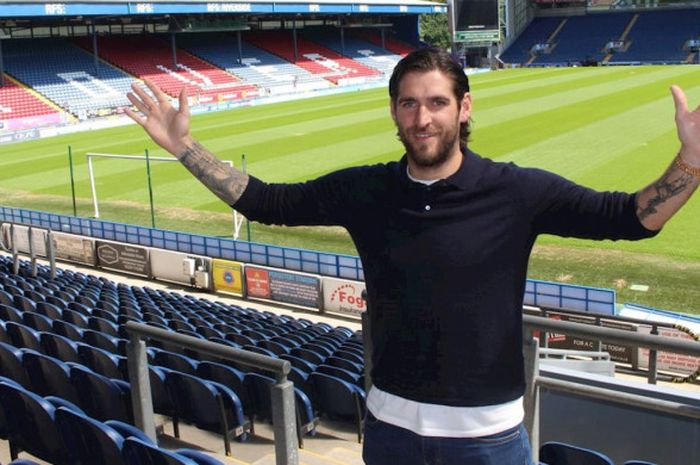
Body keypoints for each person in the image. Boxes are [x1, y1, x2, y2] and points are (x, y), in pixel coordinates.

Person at [125, 47, 700, 465]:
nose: (422, 119)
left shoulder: (518, 192)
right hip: (389, 432)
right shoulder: (365, 190)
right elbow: (266, 201)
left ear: (464, 107)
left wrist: (691, 161)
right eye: (408, 104)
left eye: (436, 103)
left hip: (488, 440)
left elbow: (632, 217)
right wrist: (184, 148)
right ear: (394, 111)